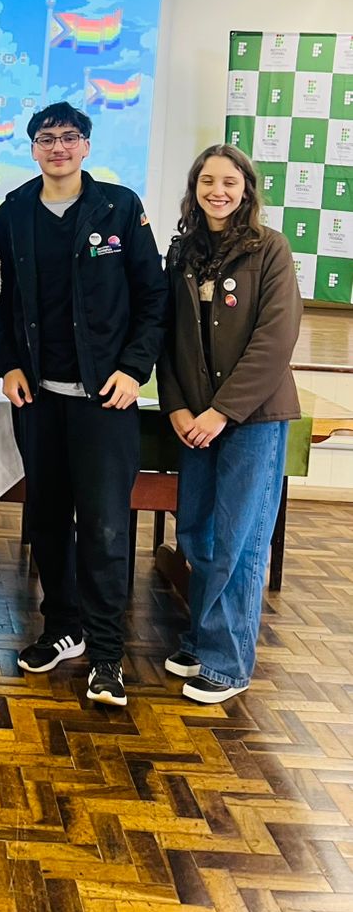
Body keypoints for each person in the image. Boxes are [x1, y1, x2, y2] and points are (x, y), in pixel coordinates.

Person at [0, 102, 167, 707]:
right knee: (45, 521)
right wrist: (8, 363)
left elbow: (154, 298)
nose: (58, 147)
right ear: (32, 148)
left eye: (69, 137)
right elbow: (0, 300)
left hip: (104, 402)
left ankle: (107, 655)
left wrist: (134, 369)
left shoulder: (119, 207)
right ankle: (63, 628)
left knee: (105, 527)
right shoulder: (13, 211)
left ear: (86, 146)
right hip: (38, 399)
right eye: (46, 138)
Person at [156, 144, 302, 704]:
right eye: (207, 181)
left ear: (246, 190)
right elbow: (168, 338)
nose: (218, 191)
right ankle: (200, 639)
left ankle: (227, 661)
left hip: (251, 419)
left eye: (230, 182)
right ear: (194, 189)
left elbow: (275, 341)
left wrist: (222, 411)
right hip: (196, 419)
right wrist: (178, 407)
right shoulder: (183, 252)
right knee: (198, 533)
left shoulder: (271, 249)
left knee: (239, 541)